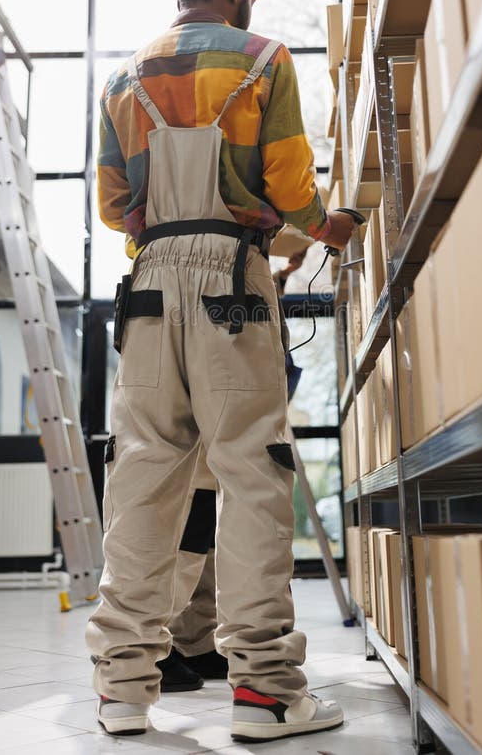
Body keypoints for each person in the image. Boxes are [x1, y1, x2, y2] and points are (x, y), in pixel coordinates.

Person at [86, 0, 356, 742]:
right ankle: (267, 692)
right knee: (250, 475)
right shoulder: (265, 58)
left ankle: (123, 691)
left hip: (148, 288)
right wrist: (324, 228)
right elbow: (291, 187)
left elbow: (110, 208)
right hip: (231, 287)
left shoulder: (124, 77)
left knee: (143, 478)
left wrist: (180, 232)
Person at [157, 249, 308, 694]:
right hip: (206, 356)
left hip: (227, 356)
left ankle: (194, 641)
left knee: (207, 540)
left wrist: (281, 270)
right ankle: (156, 643)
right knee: (191, 524)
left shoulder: (251, 270)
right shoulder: (198, 251)